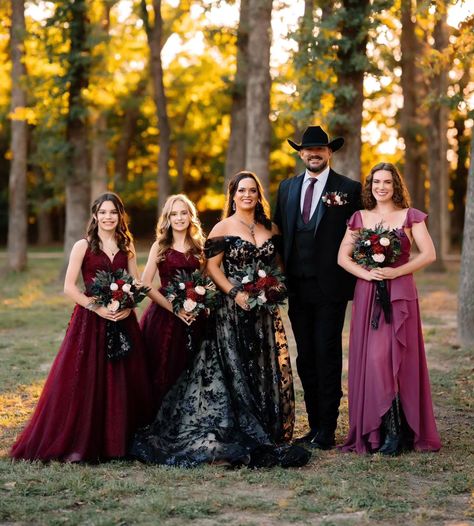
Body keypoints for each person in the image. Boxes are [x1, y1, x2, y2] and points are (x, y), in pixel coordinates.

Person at [129, 171, 310, 468]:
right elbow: (212, 268)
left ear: (258, 194)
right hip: (232, 309)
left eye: (252, 190)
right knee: (234, 365)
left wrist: (273, 288)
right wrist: (235, 291)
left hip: (264, 312)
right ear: (233, 195)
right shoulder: (222, 228)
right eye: (241, 190)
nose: (247, 195)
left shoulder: (272, 228)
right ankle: (237, 421)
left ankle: (267, 423)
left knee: (264, 364)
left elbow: (278, 265)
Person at [10, 192, 153, 462]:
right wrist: (97, 308)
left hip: (123, 321)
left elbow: (135, 282)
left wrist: (127, 305)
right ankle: (83, 441)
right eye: (103, 212)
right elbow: (68, 287)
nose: (108, 217)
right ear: (95, 215)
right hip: (91, 322)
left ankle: (119, 441)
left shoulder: (128, 247)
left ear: (120, 215)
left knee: (123, 380)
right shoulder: (83, 246)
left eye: (113, 212)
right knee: (88, 379)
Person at [337, 162, 441, 455]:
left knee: (399, 358)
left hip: (400, 291)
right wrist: (366, 273)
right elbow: (342, 257)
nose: (381, 187)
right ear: (370, 186)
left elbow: (429, 254)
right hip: (369, 292)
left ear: (396, 185)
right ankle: (378, 428)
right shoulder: (359, 217)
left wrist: (397, 272)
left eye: (387, 182)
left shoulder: (411, 216)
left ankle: (399, 432)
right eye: (376, 182)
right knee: (375, 359)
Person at [274, 125, 362, 449]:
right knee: (305, 357)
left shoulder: (348, 189)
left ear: (329, 153)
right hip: (297, 287)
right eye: (308, 150)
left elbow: (362, 232)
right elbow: (278, 233)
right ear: (301, 154)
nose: (314, 154)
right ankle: (312, 426)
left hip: (330, 288)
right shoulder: (286, 188)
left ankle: (327, 427)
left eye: (320, 149)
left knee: (326, 354)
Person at [140, 194, 206, 413]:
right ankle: (160, 414)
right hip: (164, 317)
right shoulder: (159, 246)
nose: (179, 218)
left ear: (190, 216)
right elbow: (146, 284)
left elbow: (205, 282)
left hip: (195, 316)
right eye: (174, 214)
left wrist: (200, 305)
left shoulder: (199, 246)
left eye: (183, 213)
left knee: (193, 366)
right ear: (167, 218)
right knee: (164, 367)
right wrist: (175, 309)